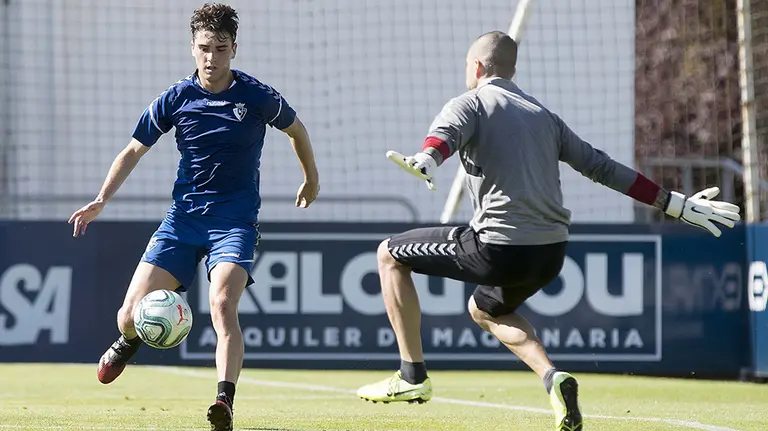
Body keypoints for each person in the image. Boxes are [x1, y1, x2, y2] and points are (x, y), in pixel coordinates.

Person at [356, 31, 740, 431]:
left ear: (476, 68)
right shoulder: (544, 116)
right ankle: (553, 377)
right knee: (485, 309)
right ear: (513, 70)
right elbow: (603, 167)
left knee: (388, 253)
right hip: (550, 252)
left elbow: (443, 138)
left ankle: (411, 377)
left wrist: (427, 160)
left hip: (497, 247)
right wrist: (674, 204)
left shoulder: (469, 102)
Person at [67, 3, 320, 430]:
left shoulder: (257, 96)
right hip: (182, 221)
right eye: (204, 48)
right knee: (128, 317)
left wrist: (311, 178)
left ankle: (224, 401)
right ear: (192, 48)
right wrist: (100, 200)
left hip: (234, 222)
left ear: (234, 49)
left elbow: (297, 130)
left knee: (223, 304)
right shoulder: (176, 98)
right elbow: (132, 151)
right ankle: (128, 344)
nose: (212, 58)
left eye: (221, 48)